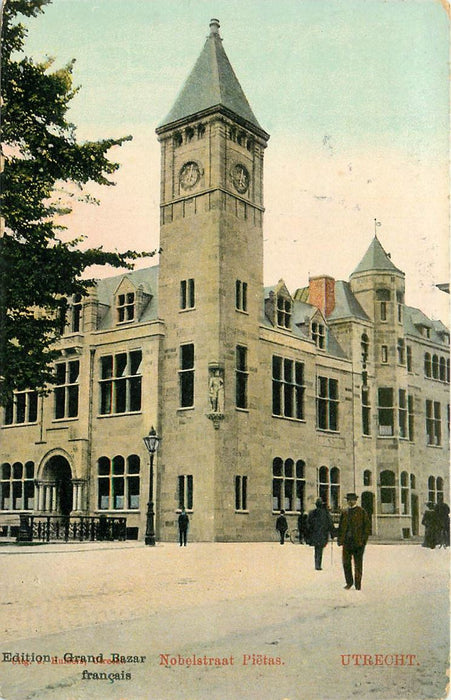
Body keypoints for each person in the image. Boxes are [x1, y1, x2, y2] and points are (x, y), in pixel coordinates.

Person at [337, 492, 370, 590]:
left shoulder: (361, 512)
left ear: (356, 500)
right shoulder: (345, 512)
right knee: (346, 563)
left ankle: (358, 584)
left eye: (352, 500)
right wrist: (340, 539)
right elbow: (341, 527)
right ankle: (349, 582)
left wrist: (363, 541)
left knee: (358, 564)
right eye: (349, 500)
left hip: (358, 543)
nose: (350, 502)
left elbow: (367, 528)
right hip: (347, 542)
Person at [307, 498, 335, 570]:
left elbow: (308, 524)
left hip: (315, 535)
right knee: (320, 549)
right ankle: (318, 564)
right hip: (323, 534)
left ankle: (317, 564)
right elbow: (330, 524)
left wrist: (309, 534)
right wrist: (332, 533)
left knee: (317, 549)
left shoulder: (312, 513)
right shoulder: (326, 513)